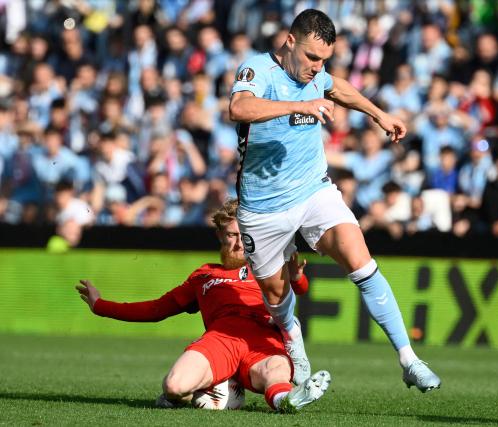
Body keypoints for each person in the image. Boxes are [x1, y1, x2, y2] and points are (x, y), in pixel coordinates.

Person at [228, 9, 440, 392]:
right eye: (311, 57)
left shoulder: (317, 74)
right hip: (263, 206)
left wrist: (379, 114)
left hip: (313, 190)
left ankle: (409, 358)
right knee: (276, 294)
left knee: (359, 257)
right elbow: (239, 108)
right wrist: (298, 105)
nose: (317, 67)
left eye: (324, 59)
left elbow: (336, 86)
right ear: (290, 41)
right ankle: (294, 342)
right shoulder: (257, 69)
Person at [75, 199, 330, 413]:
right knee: (175, 386)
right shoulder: (204, 276)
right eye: (232, 235)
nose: (239, 244)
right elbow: (156, 310)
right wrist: (101, 305)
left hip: (262, 337)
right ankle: (198, 392)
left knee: (275, 370)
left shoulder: (267, 266)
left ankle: (286, 401)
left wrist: (296, 277)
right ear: (220, 235)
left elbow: (300, 289)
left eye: (244, 236)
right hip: (221, 339)